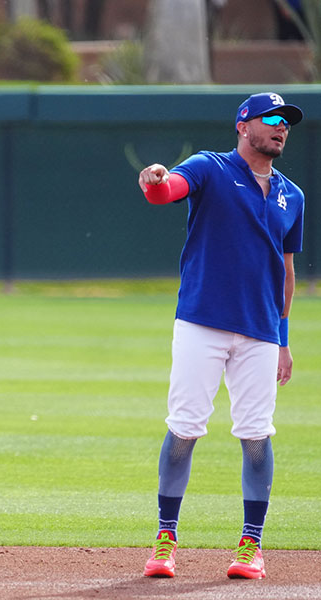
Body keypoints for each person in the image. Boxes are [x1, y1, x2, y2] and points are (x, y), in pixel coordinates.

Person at [138, 92, 304, 580]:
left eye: (286, 123)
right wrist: (154, 180)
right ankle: (166, 539)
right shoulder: (210, 167)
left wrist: (284, 337)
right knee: (185, 427)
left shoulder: (291, 194)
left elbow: (287, 271)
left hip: (259, 332)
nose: (281, 128)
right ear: (243, 125)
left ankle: (251, 545)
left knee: (256, 435)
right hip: (201, 322)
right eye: (271, 119)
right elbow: (168, 190)